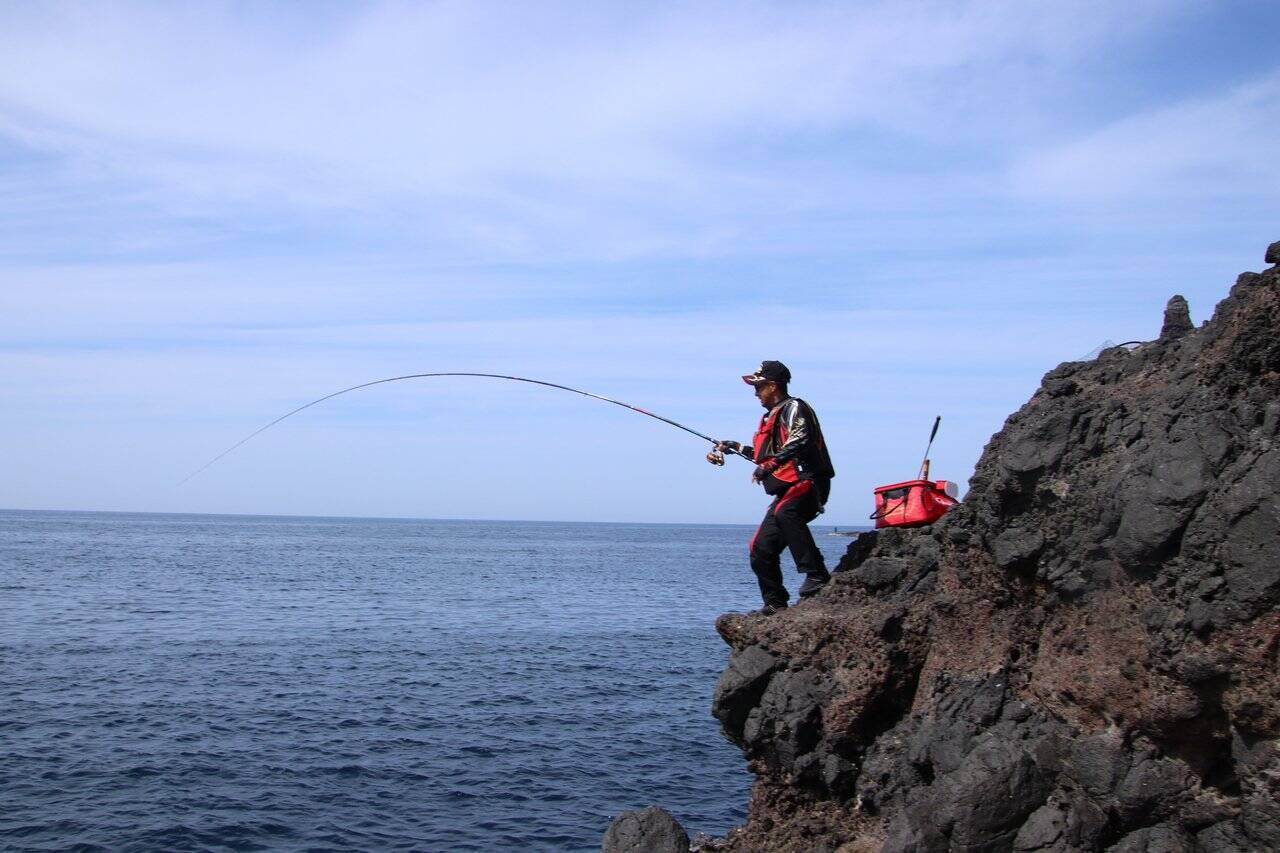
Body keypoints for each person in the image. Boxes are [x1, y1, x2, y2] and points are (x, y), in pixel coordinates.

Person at [711, 361, 835, 615]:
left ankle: (817, 574)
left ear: (773, 385)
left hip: (809, 481)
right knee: (760, 548)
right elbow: (763, 455)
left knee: (786, 513)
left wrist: (770, 466)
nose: (756, 393)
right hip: (787, 489)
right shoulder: (771, 416)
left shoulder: (794, 407)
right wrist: (734, 446)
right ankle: (775, 603)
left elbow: (800, 439)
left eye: (759, 387)